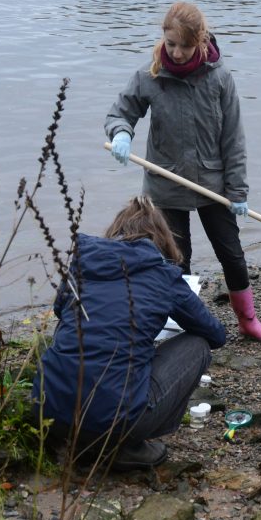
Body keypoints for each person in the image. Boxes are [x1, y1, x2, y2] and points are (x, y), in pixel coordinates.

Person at [104, 1, 261, 344]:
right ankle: (183, 328)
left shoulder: (219, 78)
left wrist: (238, 192)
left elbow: (233, 139)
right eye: (171, 44)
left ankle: (248, 321)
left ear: (200, 40)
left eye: (185, 46)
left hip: (213, 184)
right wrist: (121, 133)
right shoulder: (150, 75)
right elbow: (120, 112)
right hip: (165, 183)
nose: (178, 52)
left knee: (231, 253)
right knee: (175, 262)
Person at [33, 196, 226, 470]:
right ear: (161, 239)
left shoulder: (80, 265)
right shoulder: (162, 274)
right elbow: (215, 334)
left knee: (64, 337)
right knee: (197, 344)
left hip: (47, 412)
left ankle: (68, 441)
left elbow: (60, 310)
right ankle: (126, 446)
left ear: (115, 231)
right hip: (116, 423)